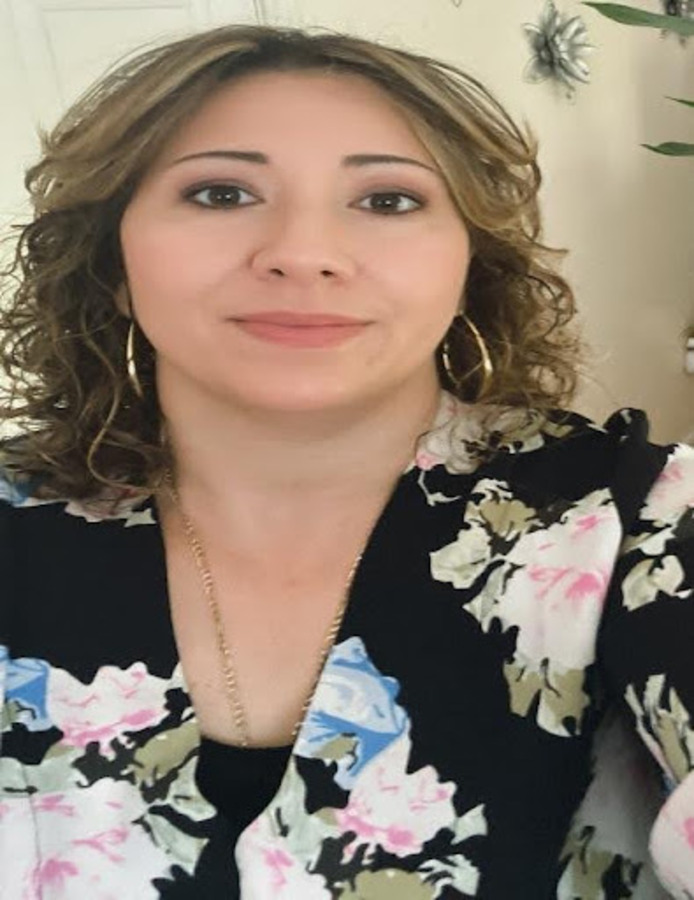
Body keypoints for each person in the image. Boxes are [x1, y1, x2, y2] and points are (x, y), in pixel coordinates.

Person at [0, 22, 692, 900]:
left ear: (469, 262)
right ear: (113, 261)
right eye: (220, 193)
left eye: (388, 200)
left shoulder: (645, 516)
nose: (302, 254)